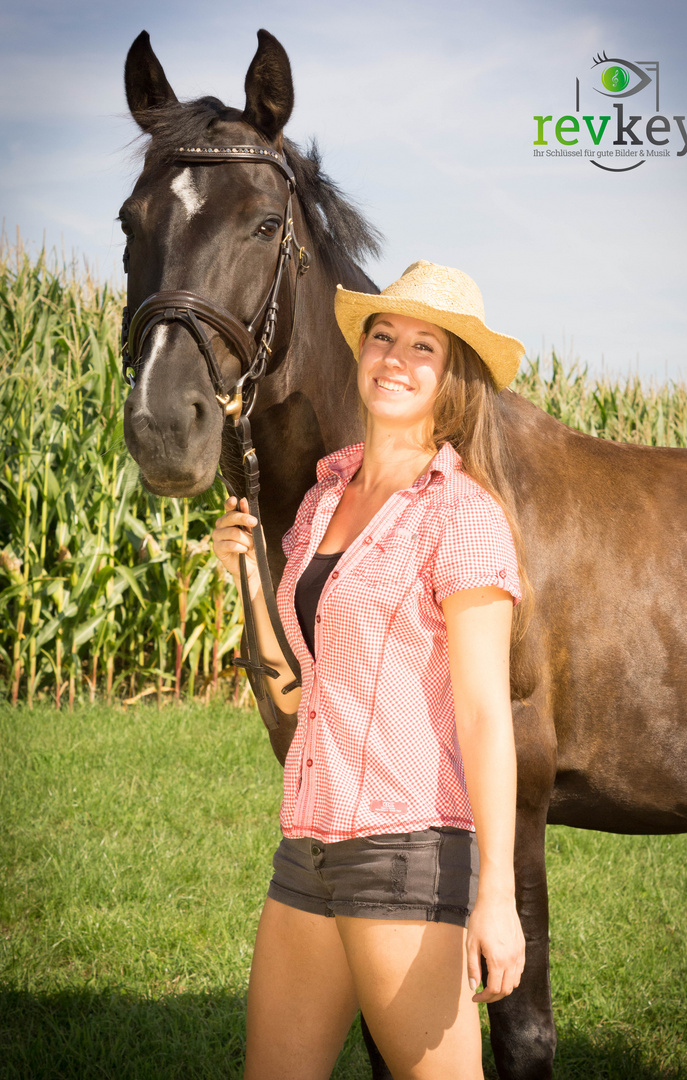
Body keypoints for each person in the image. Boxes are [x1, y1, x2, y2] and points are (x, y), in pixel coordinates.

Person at [212, 260, 530, 1080]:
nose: (394, 356)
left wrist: (497, 892)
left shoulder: (463, 517)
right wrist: (250, 577)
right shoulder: (323, 502)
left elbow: (486, 717)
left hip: (406, 850)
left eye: (423, 345)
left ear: (452, 374)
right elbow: (299, 680)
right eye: (382, 336)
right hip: (307, 845)